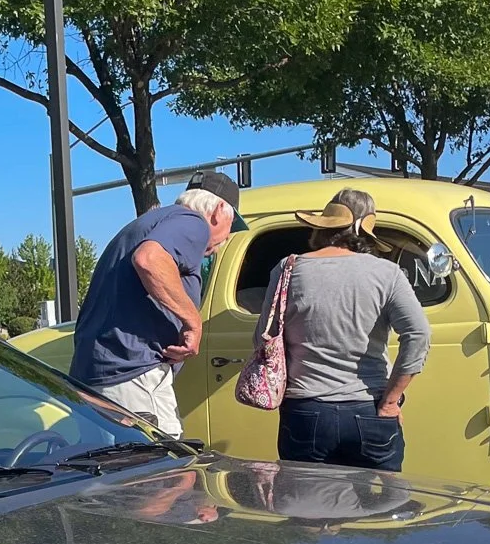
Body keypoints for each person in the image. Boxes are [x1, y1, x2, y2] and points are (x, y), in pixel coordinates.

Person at [257, 188, 430, 472]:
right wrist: (390, 401)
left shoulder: (288, 269)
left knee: (309, 511)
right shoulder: (387, 274)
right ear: (366, 234)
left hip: (306, 410)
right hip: (370, 410)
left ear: (323, 227)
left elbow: (262, 338)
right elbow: (419, 334)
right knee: (379, 513)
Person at [69, 171, 247, 436]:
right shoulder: (192, 222)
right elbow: (149, 259)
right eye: (230, 228)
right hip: (132, 374)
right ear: (219, 210)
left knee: (113, 471)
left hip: (102, 373)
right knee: (164, 466)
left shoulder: (151, 222)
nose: (225, 240)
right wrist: (193, 321)